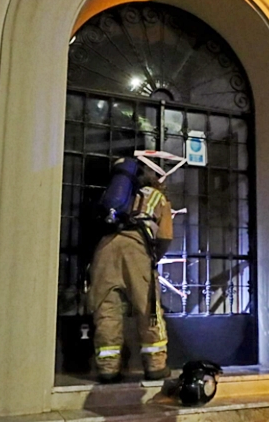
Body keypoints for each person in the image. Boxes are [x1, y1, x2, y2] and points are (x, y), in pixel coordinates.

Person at [86, 164, 174, 383]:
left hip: (104, 251)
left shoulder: (113, 197)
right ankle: (155, 366)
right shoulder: (157, 197)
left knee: (107, 311)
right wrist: (153, 258)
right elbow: (165, 237)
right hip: (136, 250)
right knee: (148, 309)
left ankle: (108, 369)